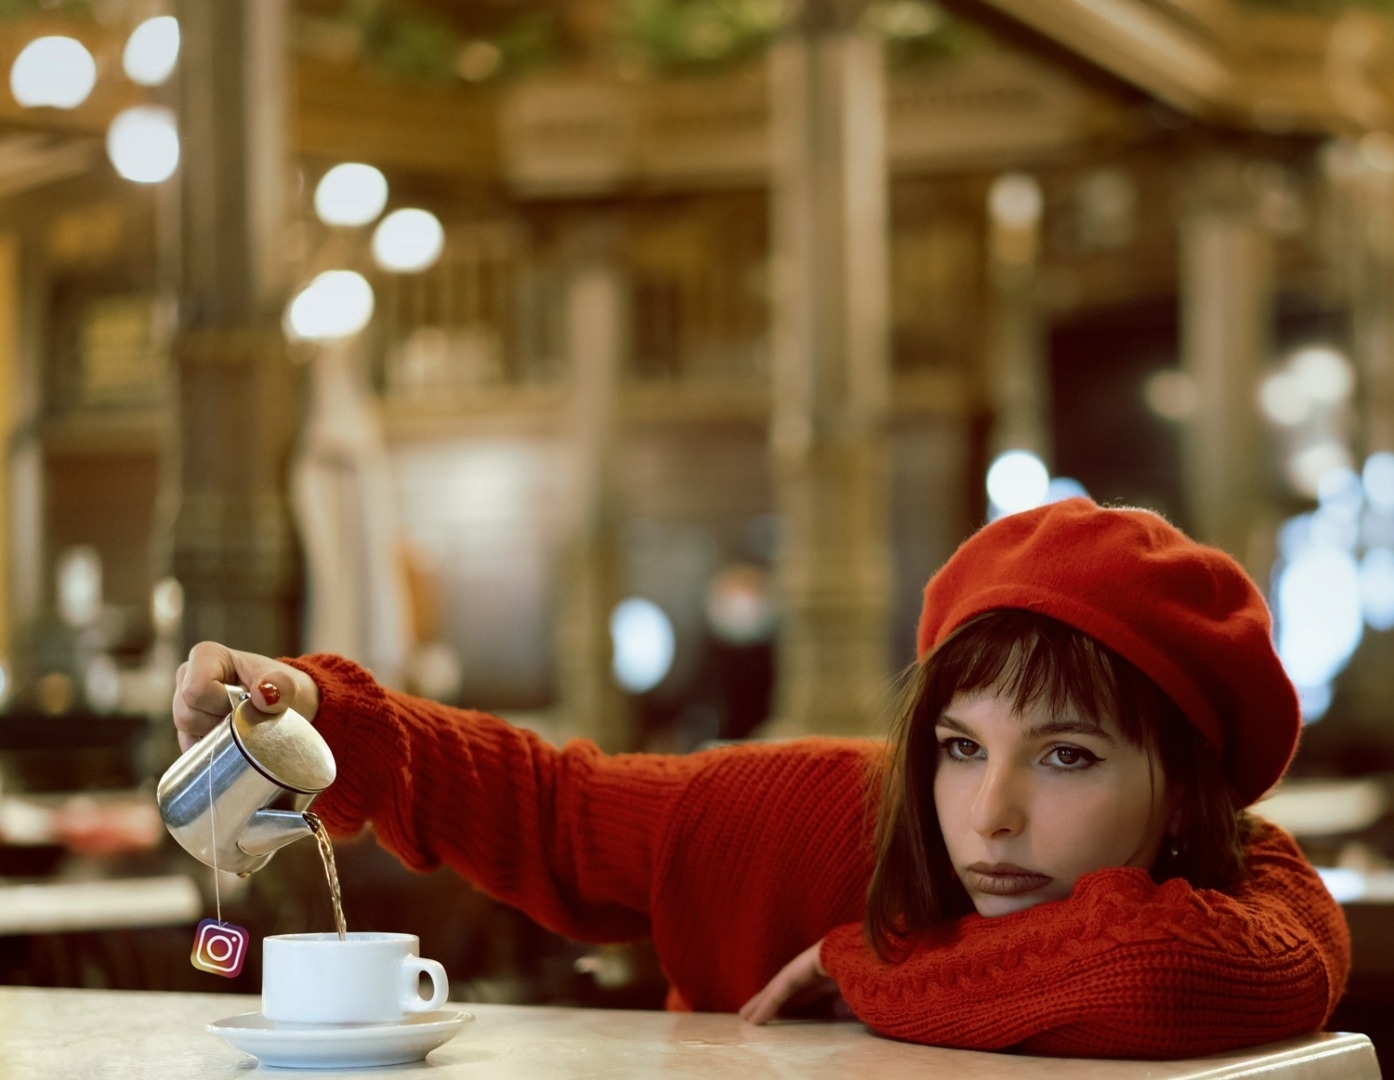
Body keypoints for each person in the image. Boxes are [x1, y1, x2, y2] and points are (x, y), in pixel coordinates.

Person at [171, 498, 1350, 1059]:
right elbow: (553, 809)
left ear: (1181, 789)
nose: (989, 815)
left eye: (1066, 756)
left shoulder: (1248, 886)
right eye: (957, 747)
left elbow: (1158, 970)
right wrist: (325, 715)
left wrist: (860, 966)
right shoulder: (818, 809)